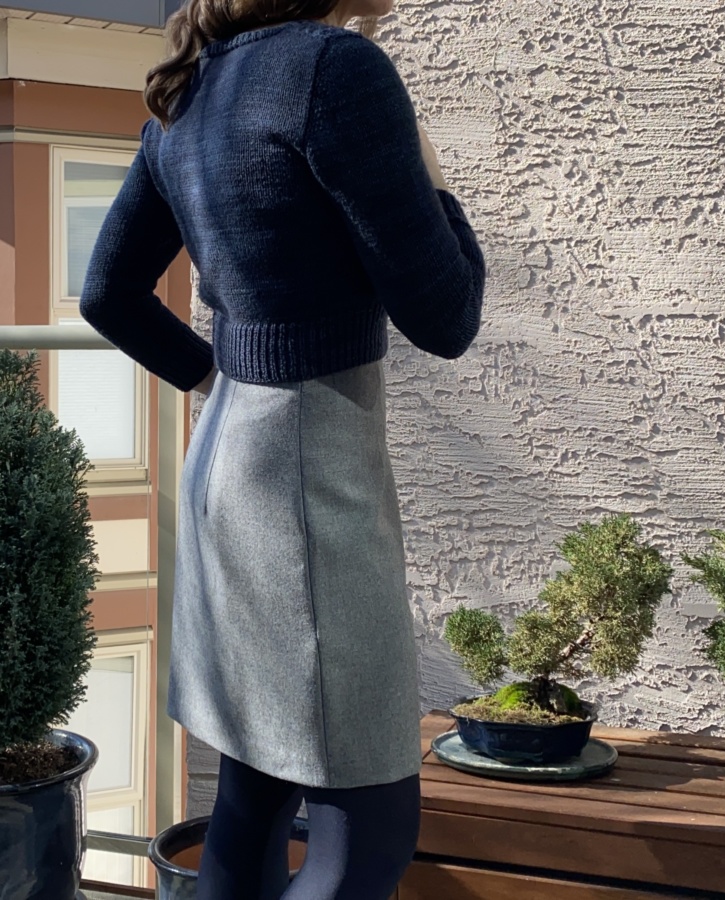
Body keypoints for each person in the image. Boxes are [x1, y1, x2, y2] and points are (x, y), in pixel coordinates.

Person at [79, 0, 486, 897]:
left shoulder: (201, 86)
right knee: (370, 830)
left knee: (256, 788)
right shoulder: (337, 70)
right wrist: (431, 167)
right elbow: (448, 316)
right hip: (309, 477)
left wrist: (214, 378)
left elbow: (105, 291)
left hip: (228, 460)